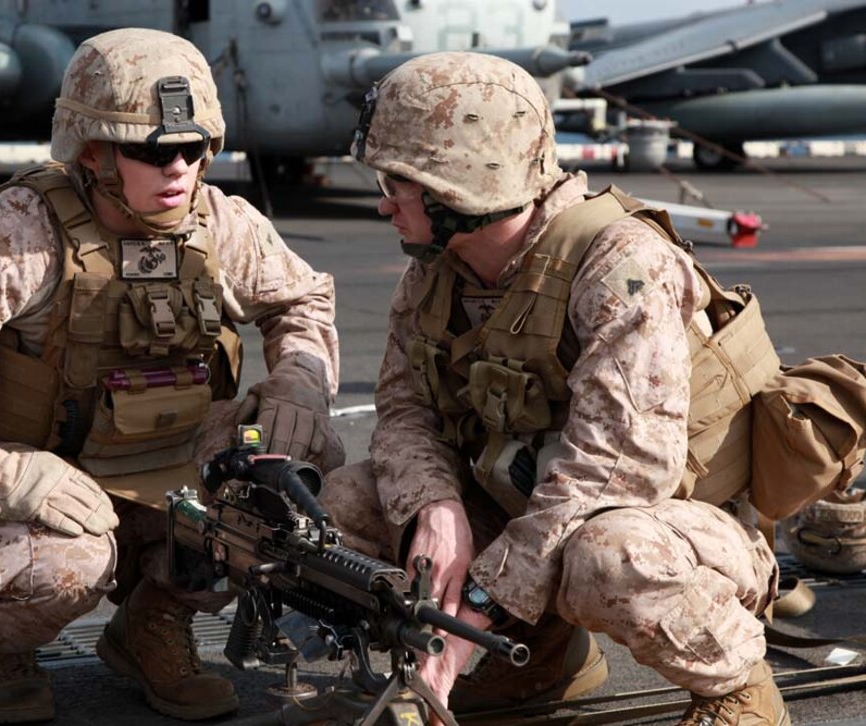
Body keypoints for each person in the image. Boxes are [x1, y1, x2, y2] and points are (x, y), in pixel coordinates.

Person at [0, 28, 343, 724]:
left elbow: (301, 299)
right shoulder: (19, 233)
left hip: (168, 462)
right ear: (93, 151)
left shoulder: (224, 226)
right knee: (62, 568)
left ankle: (152, 626)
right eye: (155, 151)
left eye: (196, 150)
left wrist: (300, 387)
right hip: (36, 466)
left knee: (288, 501)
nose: (180, 170)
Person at [318, 51, 789, 726]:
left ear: (460, 186)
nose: (384, 201)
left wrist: (477, 605)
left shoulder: (621, 263)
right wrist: (437, 507)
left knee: (609, 556)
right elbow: (401, 409)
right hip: (531, 509)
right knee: (350, 502)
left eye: (399, 181)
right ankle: (535, 663)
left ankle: (737, 687)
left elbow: (618, 470)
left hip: (675, 532)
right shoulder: (435, 271)